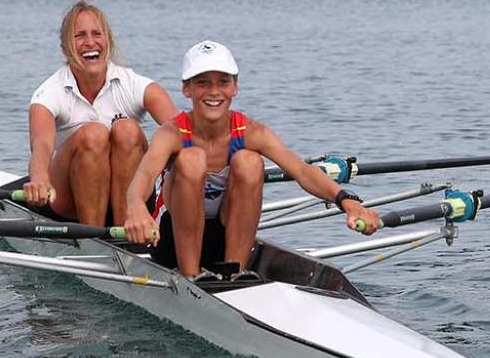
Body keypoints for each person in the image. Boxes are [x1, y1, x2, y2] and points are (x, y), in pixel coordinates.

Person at [125, 40, 380, 277]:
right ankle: (191, 278)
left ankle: (235, 275)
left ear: (235, 87)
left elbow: (302, 171)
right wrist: (136, 206)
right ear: (186, 89)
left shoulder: (251, 131)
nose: (214, 92)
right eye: (203, 82)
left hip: (227, 239)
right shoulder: (172, 133)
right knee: (192, 159)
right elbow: (144, 175)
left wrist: (347, 201)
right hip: (173, 242)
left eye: (223, 82)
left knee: (249, 161)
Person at [23, 0, 176, 224]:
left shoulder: (133, 84)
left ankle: (127, 229)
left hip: (129, 196)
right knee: (94, 134)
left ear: (108, 41)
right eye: (79, 36)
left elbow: (181, 133)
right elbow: (42, 146)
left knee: (127, 130)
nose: (90, 42)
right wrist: (38, 177)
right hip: (68, 200)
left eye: (97, 33)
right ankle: (91, 234)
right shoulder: (48, 94)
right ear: (66, 47)